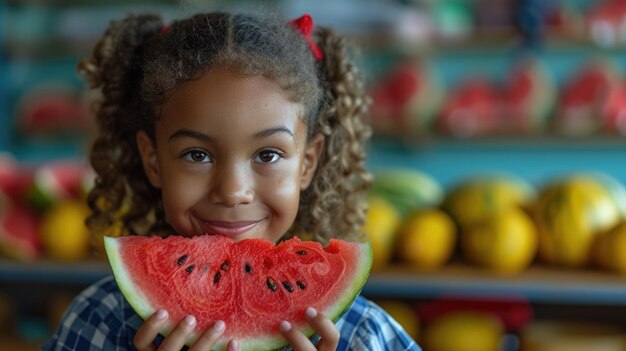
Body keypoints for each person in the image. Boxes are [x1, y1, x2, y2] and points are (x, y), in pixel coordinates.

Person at [44, 10, 420, 351]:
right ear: (153, 160)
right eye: (197, 155)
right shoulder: (100, 320)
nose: (232, 191)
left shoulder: (364, 335)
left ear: (307, 162)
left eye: (268, 155)